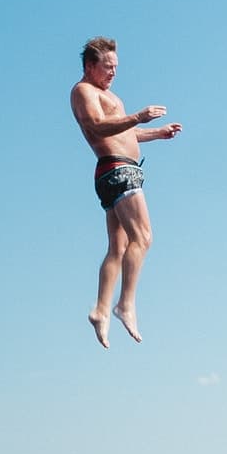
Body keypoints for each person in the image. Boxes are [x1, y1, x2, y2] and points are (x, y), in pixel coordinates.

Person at [70, 36, 181, 346]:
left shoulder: (107, 94)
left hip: (115, 170)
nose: (113, 73)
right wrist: (137, 115)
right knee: (143, 237)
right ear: (90, 66)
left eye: (116, 67)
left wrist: (157, 133)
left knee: (118, 247)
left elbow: (125, 134)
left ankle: (101, 310)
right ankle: (125, 304)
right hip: (118, 171)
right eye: (107, 67)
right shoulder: (84, 91)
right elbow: (96, 126)